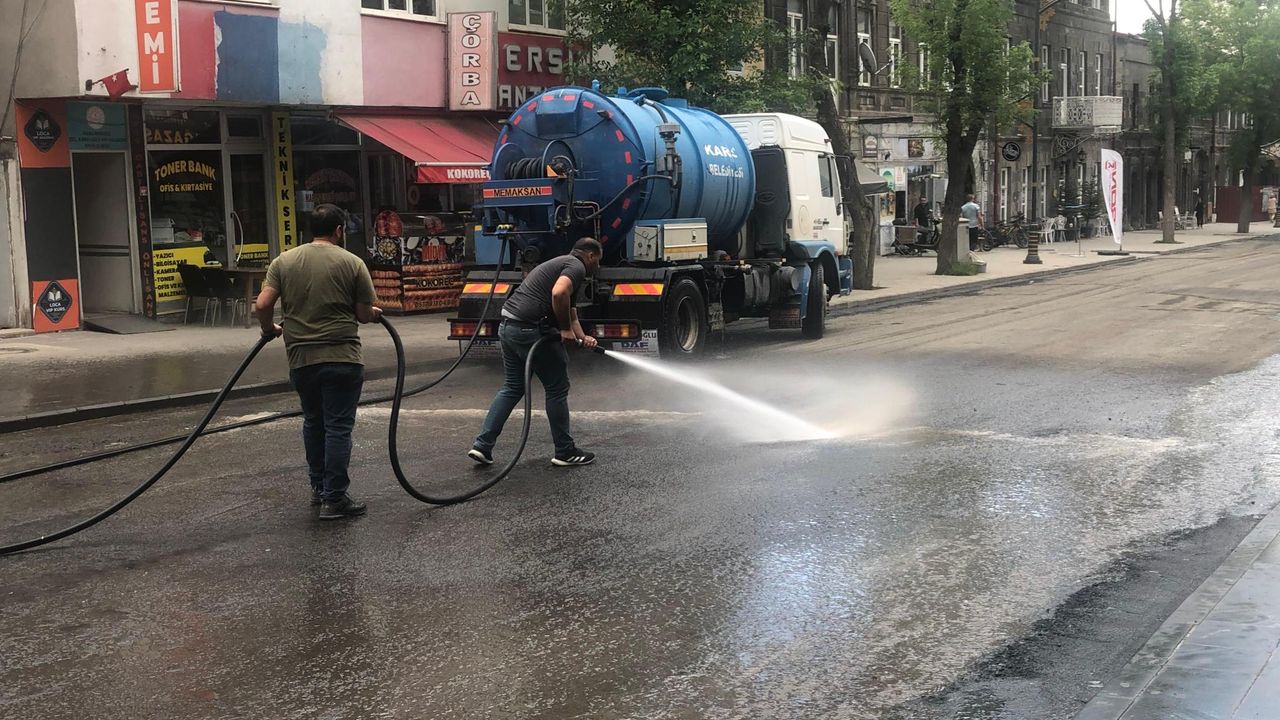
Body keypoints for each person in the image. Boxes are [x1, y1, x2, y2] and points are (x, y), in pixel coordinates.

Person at [255, 204, 382, 520]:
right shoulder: (352, 263)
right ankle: (335, 498)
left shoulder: (283, 262)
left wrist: (269, 329)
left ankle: (318, 488)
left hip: (302, 359)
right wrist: (372, 315)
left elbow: (262, 304)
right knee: (338, 427)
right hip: (342, 359)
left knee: (314, 423)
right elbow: (364, 314)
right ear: (339, 230)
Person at [470, 238, 602, 467]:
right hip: (531, 330)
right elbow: (558, 294)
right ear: (590, 255)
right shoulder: (576, 266)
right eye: (598, 261)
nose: (598, 266)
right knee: (557, 388)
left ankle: (482, 446)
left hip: (509, 327)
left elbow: (570, 313)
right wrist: (563, 330)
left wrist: (581, 336)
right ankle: (565, 451)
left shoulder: (561, 264)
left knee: (513, 387)